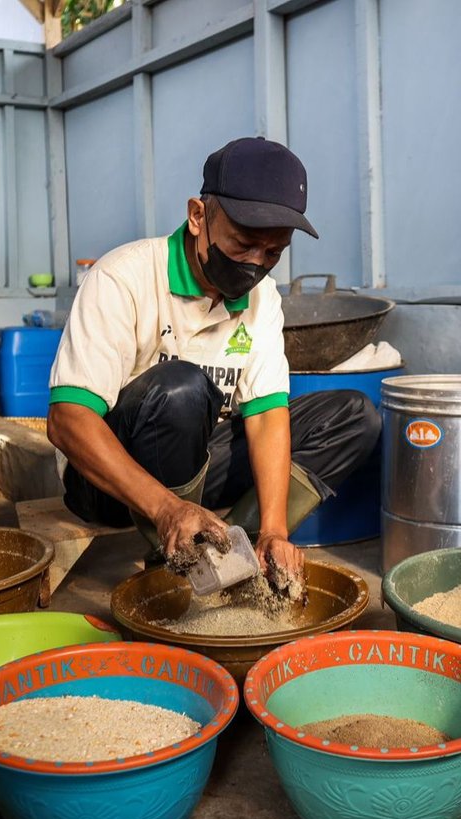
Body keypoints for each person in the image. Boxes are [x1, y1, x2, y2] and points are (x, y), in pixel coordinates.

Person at [47, 136, 381, 597]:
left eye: (273, 252)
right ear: (198, 215)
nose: (255, 265)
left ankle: (231, 552)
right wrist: (166, 508)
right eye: (243, 243)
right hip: (108, 483)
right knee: (182, 388)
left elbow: (265, 415)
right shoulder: (122, 277)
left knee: (354, 416)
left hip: (197, 459)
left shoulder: (262, 299)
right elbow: (67, 421)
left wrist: (274, 529)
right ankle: (175, 548)